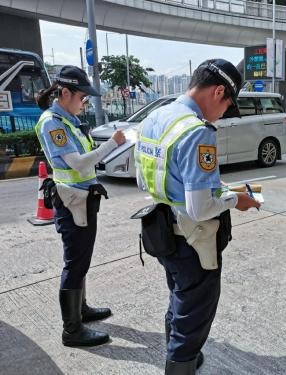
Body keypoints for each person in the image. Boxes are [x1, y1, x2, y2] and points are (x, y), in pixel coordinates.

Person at [135, 59, 261, 374]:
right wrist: (237, 199)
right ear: (219, 92)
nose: (224, 114)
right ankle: (181, 359)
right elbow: (200, 208)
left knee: (180, 301)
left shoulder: (155, 117)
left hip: (161, 231)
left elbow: (143, 180)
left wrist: (207, 189)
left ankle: (182, 354)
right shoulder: (198, 131)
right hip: (193, 241)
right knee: (194, 317)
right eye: (228, 106)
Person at [35, 65, 126, 347]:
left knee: (81, 260)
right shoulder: (53, 123)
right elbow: (78, 163)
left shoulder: (68, 120)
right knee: (75, 263)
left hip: (83, 199)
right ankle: (71, 330)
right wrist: (112, 144)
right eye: (81, 97)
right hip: (71, 201)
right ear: (64, 93)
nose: (84, 102)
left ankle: (81, 310)